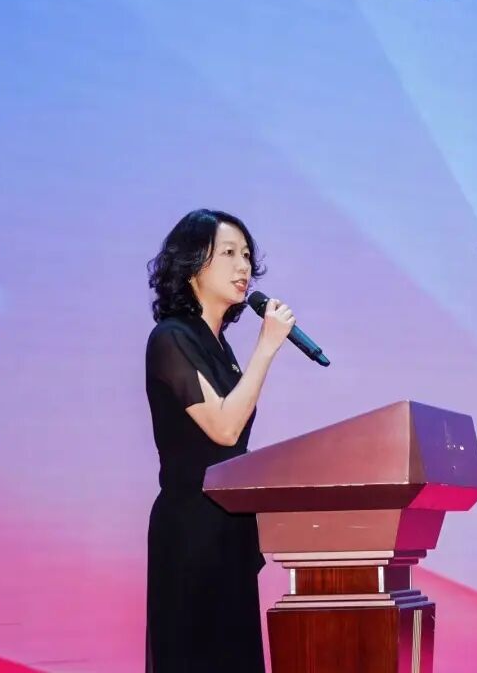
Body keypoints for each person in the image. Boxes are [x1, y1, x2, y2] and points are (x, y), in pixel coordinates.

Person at [144, 208, 295, 671]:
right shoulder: (171, 338)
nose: (243, 266)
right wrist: (266, 347)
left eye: (246, 255)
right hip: (192, 533)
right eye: (228, 253)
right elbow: (224, 429)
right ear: (193, 264)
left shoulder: (219, 349)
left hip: (229, 530)